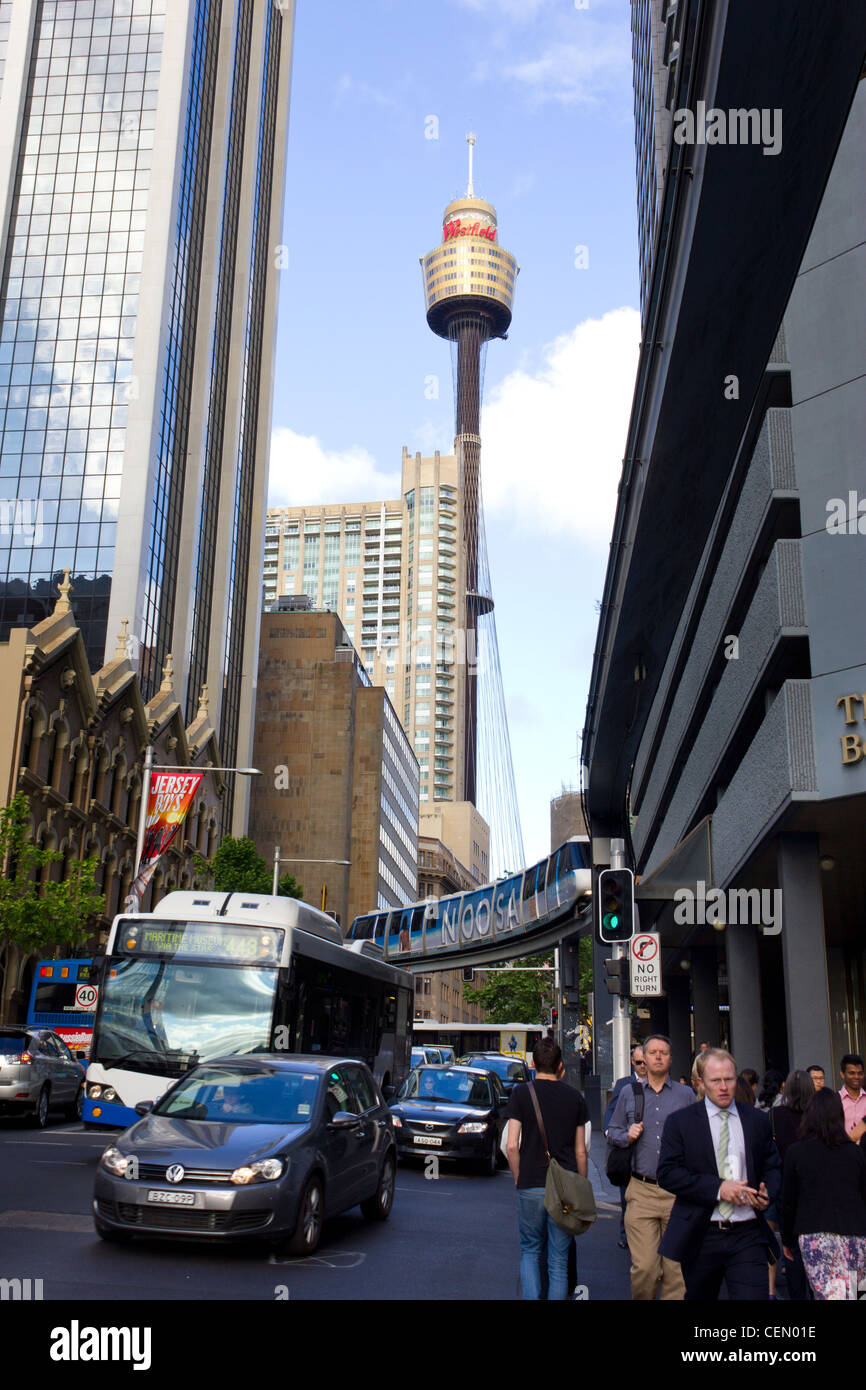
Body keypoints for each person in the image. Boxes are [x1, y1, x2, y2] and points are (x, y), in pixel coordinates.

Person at [657, 1047, 781, 1300]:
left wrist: (768, 1191)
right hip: (702, 1232)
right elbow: (668, 1173)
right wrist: (718, 1188)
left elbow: (773, 1164)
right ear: (701, 1083)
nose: (724, 1087)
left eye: (729, 1079)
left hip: (747, 1232)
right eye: (716, 1081)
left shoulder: (756, 1120)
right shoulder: (681, 1122)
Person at [608, 1034, 696, 1300]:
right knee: (645, 1268)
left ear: (671, 1059)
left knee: (676, 1272)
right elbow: (612, 1131)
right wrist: (627, 1135)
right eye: (653, 1052)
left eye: (664, 1052)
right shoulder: (628, 1093)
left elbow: (697, 1137)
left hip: (677, 1193)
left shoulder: (686, 1095)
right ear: (643, 1059)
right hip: (641, 1190)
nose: (658, 1056)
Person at [505, 1036, 588, 1301]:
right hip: (564, 1188)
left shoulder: (520, 1094)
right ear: (560, 1066)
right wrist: (581, 1186)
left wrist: (519, 1178)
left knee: (530, 1251)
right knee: (559, 1260)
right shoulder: (575, 1098)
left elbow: (511, 1145)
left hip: (530, 1183)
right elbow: (580, 1150)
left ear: (532, 1063)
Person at [781, 1088, 866, 1299]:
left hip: (814, 1234)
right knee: (859, 1294)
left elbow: (788, 1201)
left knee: (826, 1295)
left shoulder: (796, 1153)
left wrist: (787, 1239)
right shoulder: (855, 1153)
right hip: (856, 1235)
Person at [771, 1069, 815, 1301]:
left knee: (793, 1256)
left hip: (785, 1187)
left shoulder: (775, 1115)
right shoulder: (818, 1116)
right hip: (816, 1192)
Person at [604, 1044, 647, 1250]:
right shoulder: (624, 1085)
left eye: (644, 1062)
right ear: (632, 1062)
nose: (642, 1066)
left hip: (649, 1152)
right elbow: (611, 1112)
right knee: (626, 1196)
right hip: (627, 1149)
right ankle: (626, 1234)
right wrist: (610, 1132)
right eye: (638, 1063)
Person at [838, 1054, 866, 1135]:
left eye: (860, 1073)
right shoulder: (835, 1100)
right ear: (842, 1074)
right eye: (852, 1073)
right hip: (843, 1146)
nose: (856, 1077)